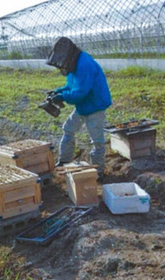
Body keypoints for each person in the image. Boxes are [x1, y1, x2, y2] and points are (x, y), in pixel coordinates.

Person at [46, 37, 112, 182]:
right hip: (83, 105)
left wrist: (62, 97)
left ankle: (98, 170)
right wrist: (58, 92)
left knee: (97, 140)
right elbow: (71, 86)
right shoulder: (73, 64)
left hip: (95, 105)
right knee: (68, 128)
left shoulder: (84, 65)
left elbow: (79, 93)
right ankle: (64, 161)